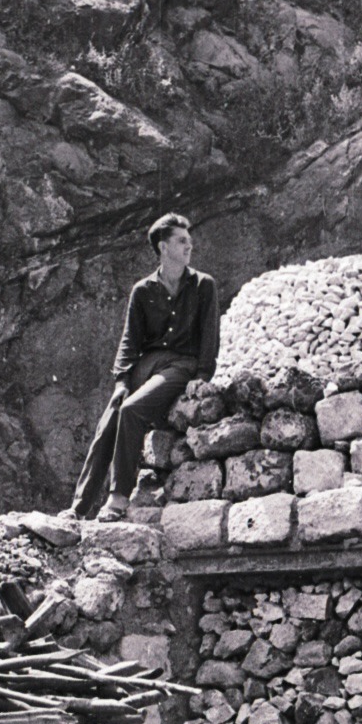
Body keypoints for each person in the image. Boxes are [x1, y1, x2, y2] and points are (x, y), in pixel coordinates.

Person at [63, 214, 220, 521]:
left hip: (181, 365)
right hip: (146, 366)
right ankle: (78, 509)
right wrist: (121, 381)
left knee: (132, 410)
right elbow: (128, 341)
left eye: (188, 240)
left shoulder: (204, 286)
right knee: (111, 416)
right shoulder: (142, 290)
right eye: (182, 240)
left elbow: (210, 336)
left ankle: (118, 499)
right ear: (163, 247)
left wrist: (202, 376)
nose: (190, 245)